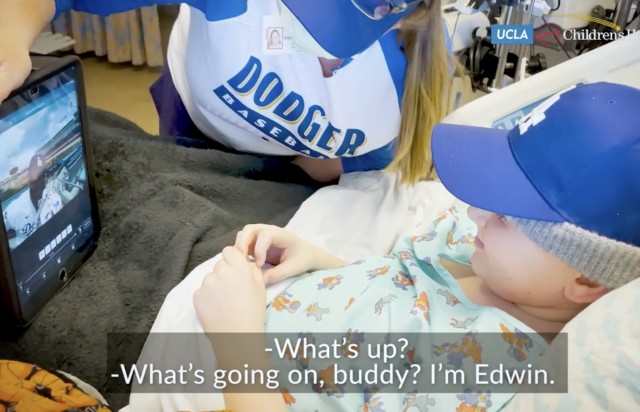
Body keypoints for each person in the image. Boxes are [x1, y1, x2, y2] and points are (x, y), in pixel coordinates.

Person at [192, 82, 640, 412]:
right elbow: (402, 290)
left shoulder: (480, 371)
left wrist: (238, 342)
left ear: (586, 277)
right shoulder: (481, 256)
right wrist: (315, 260)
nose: (475, 213)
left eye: (505, 216)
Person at [0, 0, 456, 183]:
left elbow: (364, 163)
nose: (320, 56)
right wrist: (11, 32)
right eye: (304, 23)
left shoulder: (410, 83)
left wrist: (284, 170)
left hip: (293, 161)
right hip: (198, 107)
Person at [3, 154, 61, 248]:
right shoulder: (14, 210)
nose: (42, 181)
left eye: (43, 176)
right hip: (26, 254)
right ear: (29, 181)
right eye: (36, 177)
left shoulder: (54, 199)